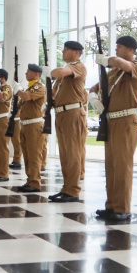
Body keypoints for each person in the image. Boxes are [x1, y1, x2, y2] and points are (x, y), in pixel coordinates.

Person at [91, 35, 137, 222]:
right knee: (111, 166)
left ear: (131, 50)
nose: (116, 49)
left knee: (122, 166)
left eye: (119, 46)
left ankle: (122, 208)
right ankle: (111, 205)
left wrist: (106, 60)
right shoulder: (113, 72)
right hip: (110, 121)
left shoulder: (135, 68)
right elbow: (95, 87)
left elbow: (122, 64)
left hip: (126, 120)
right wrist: (92, 96)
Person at [44, 41, 87, 202]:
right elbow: (55, 90)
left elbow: (60, 72)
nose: (63, 51)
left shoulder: (77, 66)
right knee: (65, 154)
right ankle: (67, 188)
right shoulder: (66, 73)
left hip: (73, 113)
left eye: (66, 49)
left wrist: (50, 71)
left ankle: (73, 190)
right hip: (62, 113)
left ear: (76, 52)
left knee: (73, 153)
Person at [15, 64, 47, 193]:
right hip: (26, 124)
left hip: (34, 125)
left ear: (36, 74)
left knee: (34, 154)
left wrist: (18, 90)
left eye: (28, 71)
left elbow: (27, 97)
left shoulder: (39, 86)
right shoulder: (30, 87)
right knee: (27, 155)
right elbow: (22, 104)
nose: (25, 73)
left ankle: (35, 182)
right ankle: (30, 180)